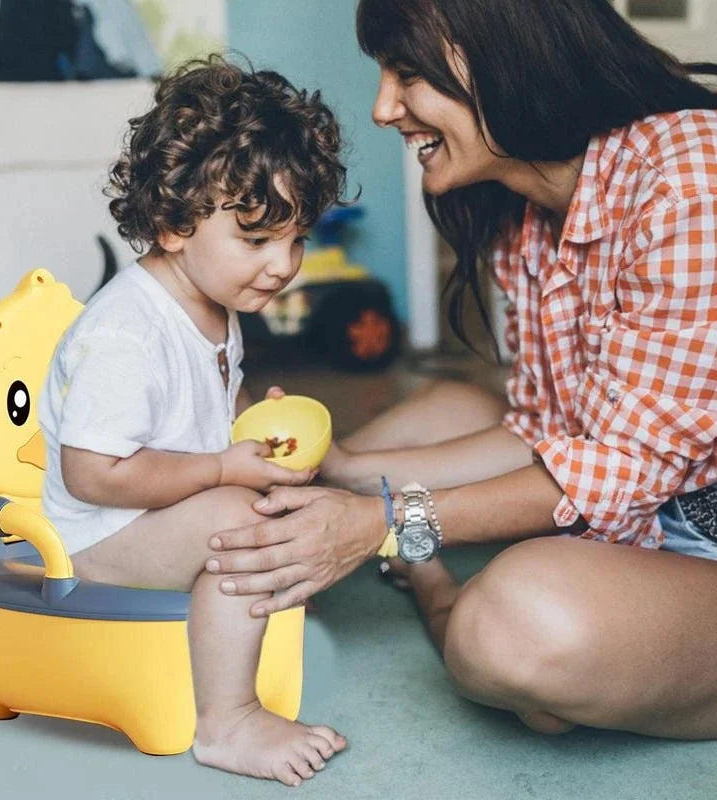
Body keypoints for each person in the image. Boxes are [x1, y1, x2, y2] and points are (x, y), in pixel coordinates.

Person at [203, 0, 717, 740]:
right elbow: (549, 432)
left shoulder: (688, 184)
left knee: (509, 631)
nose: (383, 109)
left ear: (506, 57)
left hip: (693, 526)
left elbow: (614, 469)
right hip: (644, 511)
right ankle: (435, 572)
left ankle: (439, 597)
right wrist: (348, 469)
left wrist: (383, 526)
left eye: (406, 74)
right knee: (455, 406)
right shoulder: (529, 211)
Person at [38, 56, 348, 786]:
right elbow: (93, 473)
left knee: (281, 503)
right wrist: (221, 471)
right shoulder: (127, 333)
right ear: (174, 223)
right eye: (257, 238)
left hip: (159, 510)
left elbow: (208, 407)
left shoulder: (213, 302)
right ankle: (227, 721)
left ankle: (237, 614)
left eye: (297, 237)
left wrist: (248, 435)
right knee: (246, 519)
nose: (283, 265)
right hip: (96, 537)